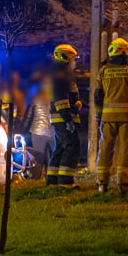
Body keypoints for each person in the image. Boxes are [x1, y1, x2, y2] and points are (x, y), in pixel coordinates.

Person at [94, 38, 128, 194]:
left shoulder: (103, 72)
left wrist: (99, 117)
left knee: (105, 149)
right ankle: (123, 184)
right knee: (126, 150)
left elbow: (98, 97)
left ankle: (103, 183)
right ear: (127, 51)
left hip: (108, 119)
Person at [46, 44, 82, 189]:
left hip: (60, 117)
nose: (74, 62)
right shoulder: (60, 74)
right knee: (72, 148)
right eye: (72, 58)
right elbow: (60, 99)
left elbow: (66, 97)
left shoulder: (58, 73)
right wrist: (68, 120)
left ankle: (53, 181)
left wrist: (78, 103)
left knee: (61, 148)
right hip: (63, 118)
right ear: (65, 57)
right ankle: (65, 183)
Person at [21, 78, 55, 180]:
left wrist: (22, 131)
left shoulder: (35, 97)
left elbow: (28, 116)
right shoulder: (56, 97)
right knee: (53, 158)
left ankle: (36, 179)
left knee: (39, 158)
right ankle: (51, 179)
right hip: (53, 132)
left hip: (37, 131)